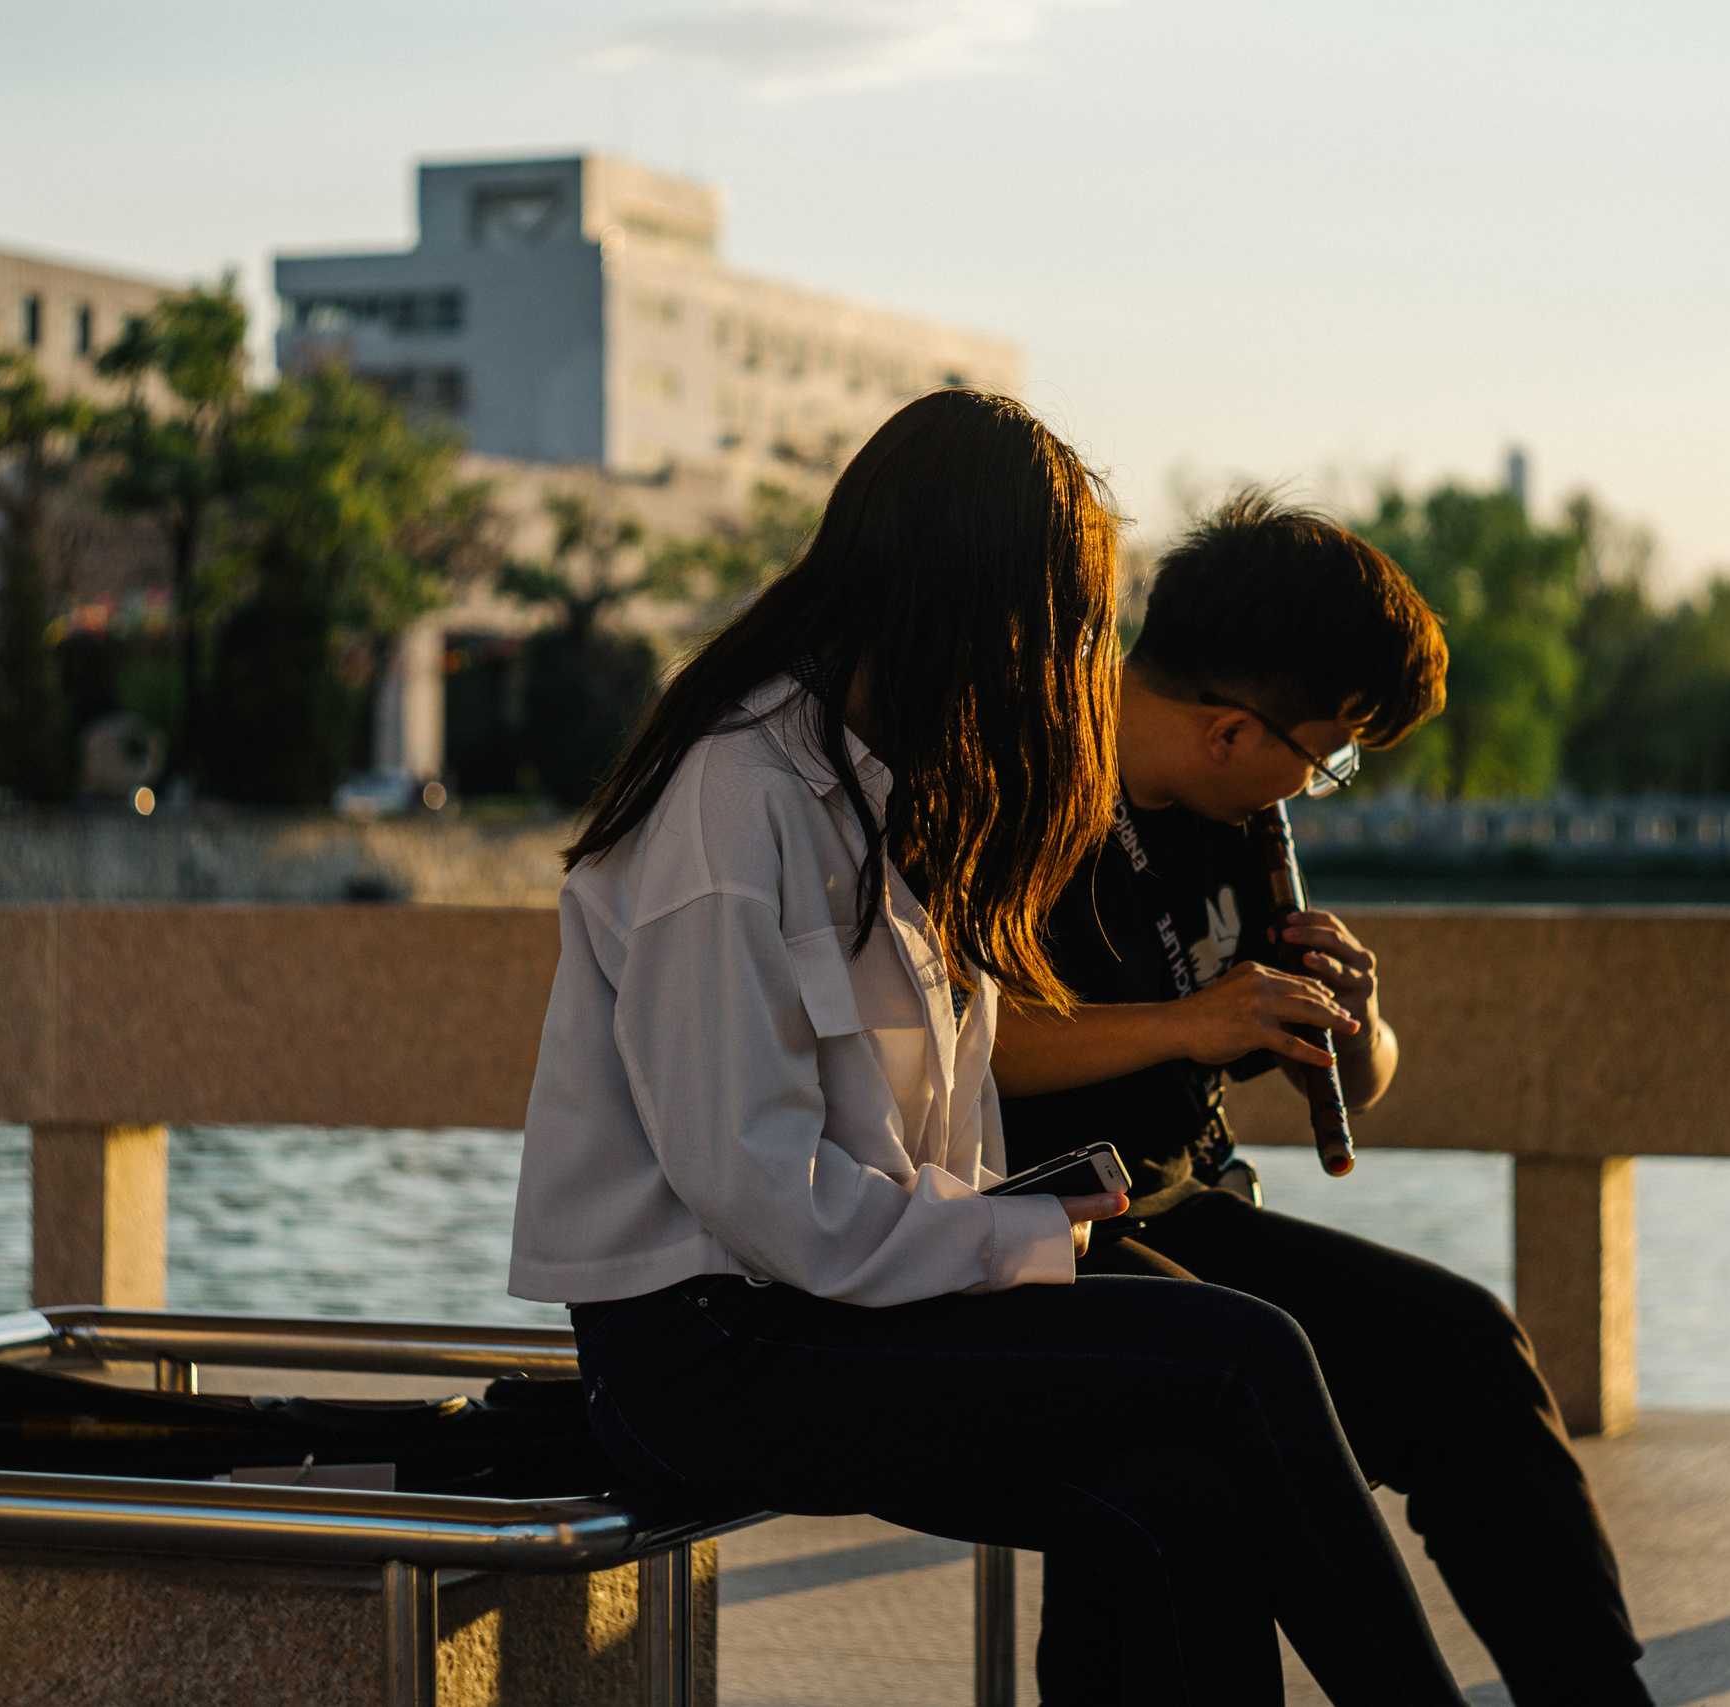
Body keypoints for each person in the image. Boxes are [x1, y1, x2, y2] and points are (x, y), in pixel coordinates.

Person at [508, 394, 1465, 1706]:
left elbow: (907, 1135)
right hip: (711, 1352)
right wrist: (1013, 1238)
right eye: (1066, 621)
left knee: (1186, 1502)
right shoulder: (736, 798)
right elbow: (754, 1185)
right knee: (1250, 1350)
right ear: (966, 599)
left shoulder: (890, 782)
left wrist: (1023, 1218)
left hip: (838, 1309)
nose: (1074, 661)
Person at [994, 491, 1656, 1707]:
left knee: (1461, 1347)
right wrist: (1190, 1023)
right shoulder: (1017, 790)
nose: (1317, 783)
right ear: (1229, 732)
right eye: (1328, 748)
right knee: (1199, 1432)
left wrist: (1352, 1030)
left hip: (1188, 1214)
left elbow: (1350, 1069)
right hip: (1023, 1231)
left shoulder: (1231, 819)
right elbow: (952, 1043)